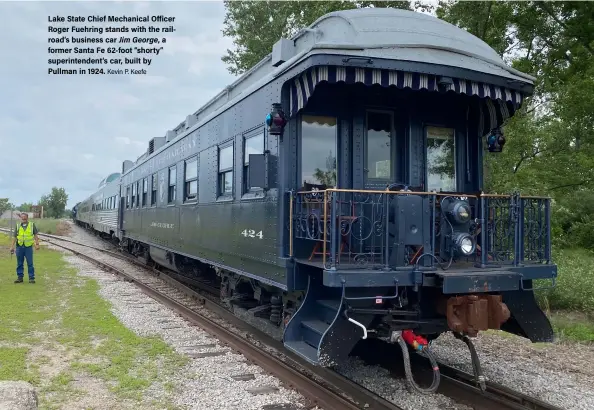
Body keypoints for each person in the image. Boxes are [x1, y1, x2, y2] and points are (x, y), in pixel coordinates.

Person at [9, 213, 40, 284]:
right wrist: (12, 246)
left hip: (28, 247)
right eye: (22, 218)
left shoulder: (32, 225)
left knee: (30, 263)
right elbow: (15, 237)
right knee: (19, 263)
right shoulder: (18, 226)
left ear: (27, 218)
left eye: (25, 218)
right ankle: (20, 278)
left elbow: (35, 235)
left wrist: (37, 244)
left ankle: (31, 278)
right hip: (19, 247)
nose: (23, 219)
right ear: (20, 218)